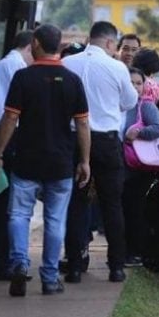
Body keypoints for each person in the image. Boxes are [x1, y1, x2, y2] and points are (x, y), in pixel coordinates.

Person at [0, 24, 90, 297]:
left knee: (19, 213)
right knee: (56, 220)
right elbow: (82, 125)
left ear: (35, 43)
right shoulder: (72, 81)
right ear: (58, 46)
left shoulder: (23, 77)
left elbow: (10, 118)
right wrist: (85, 160)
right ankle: (49, 277)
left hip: (26, 160)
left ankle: (20, 262)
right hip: (61, 163)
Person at [62, 21, 138, 284]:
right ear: (109, 43)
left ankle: (73, 265)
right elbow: (129, 101)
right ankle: (116, 266)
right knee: (112, 204)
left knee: (76, 203)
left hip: (73, 140)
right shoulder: (116, 67)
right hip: (105, 141)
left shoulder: (68, 63)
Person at [0, 30, 33, 280]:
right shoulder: (16, 67)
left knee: (4, 202)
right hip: (9, 137)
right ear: (30, 47)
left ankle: (2, 260)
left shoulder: (4, 63)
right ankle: (4, 262)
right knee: (9, 204)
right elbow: (12, 113)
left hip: (1, 134)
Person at [122, 68, 159, 267]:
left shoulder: (145, 106)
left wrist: (137, 132)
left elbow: (157, 129)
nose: (135, 87)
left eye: (139, 83)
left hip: (139, 168)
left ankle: (135, 252)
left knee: (135, 209)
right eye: (131, 82)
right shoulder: (117, 104)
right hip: (119, 165)